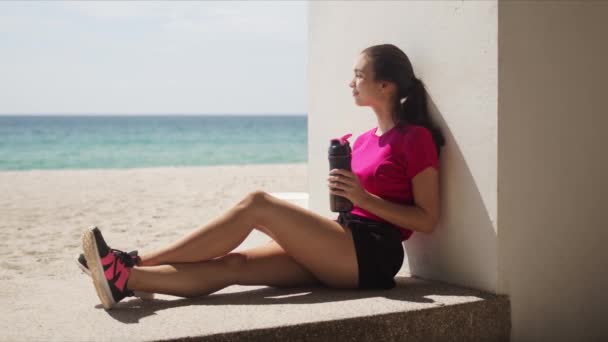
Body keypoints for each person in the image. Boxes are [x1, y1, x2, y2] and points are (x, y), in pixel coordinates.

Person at [78, 43, 445, 310]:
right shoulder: (360, 141)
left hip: (375, 252)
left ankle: (134, 260)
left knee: (258, 204)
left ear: (386, 86)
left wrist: (364, 199)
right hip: (343, 239)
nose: (351, 82)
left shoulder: (416, 139)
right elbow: (355, 203)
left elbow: (426, 219)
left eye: (359, 75)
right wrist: (350, 194)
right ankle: (126, 281)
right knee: (234, 265)